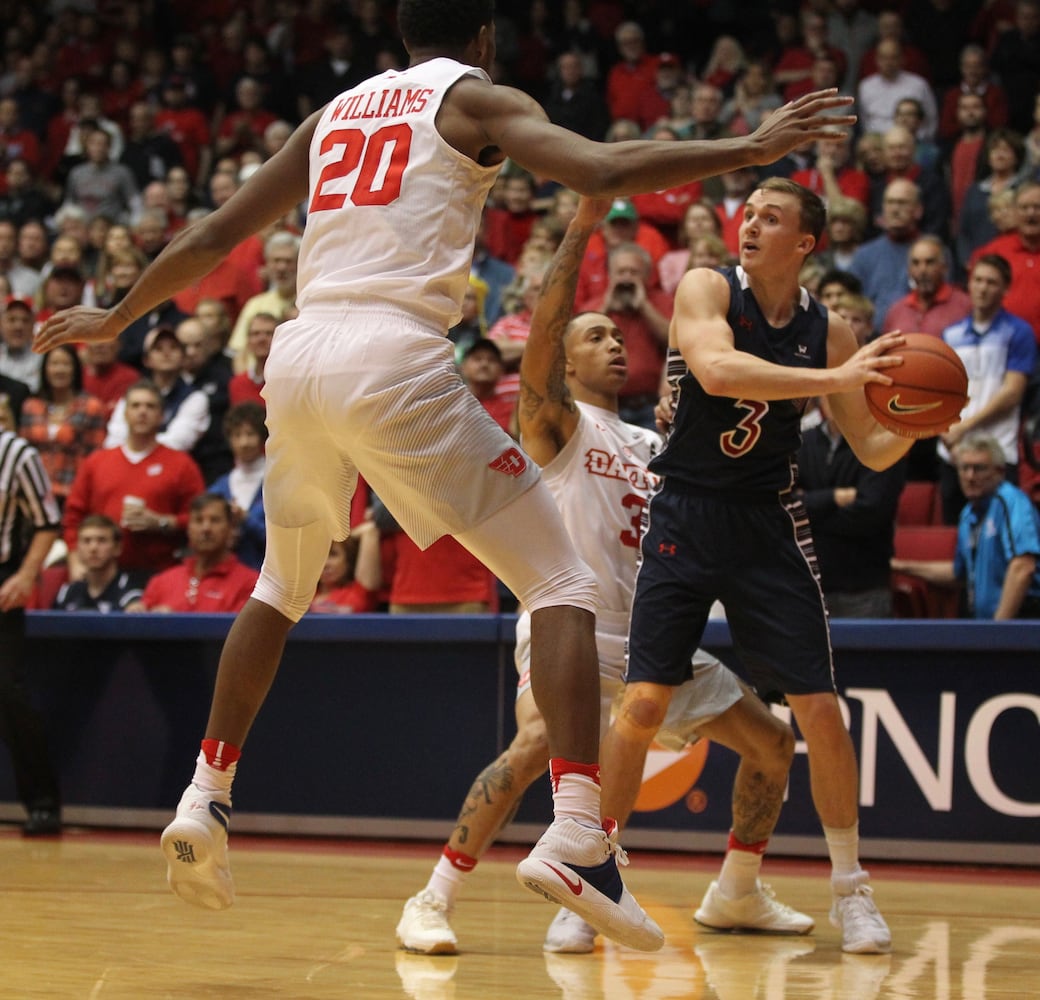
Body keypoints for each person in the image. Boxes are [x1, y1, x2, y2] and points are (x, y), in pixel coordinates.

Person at [34, 0, 854, 946]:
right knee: (562, 579)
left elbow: (215, 235)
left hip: (296, 360)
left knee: (282, 583)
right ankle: (581, 836)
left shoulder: (334, 113)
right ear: (485, 40)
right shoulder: (471, 98)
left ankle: (204, 796)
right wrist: (747, 147)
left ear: (398, 38)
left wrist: (115, 317)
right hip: (391, 354)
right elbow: (599, 167)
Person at [397, 195, 812, 956]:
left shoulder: (657, 442)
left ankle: (737, 890)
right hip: (572, 630)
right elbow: (547, 330)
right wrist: (580, 232)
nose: (614, 344)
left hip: (655, 635)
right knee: (531, 753)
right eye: (596, 336)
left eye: (619, 335)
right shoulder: (555, 424)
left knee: (772, 746)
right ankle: (434, 896)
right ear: (564, 358)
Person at [599, 178, 928, 956]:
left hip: (767, 522)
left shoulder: (829, 329)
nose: (750, 226)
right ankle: (595, 874)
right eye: (748, 214)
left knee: (818, 708)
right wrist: (834, 382)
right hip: (684, 508)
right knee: (644, 701)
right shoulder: (710, 286)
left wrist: (922, 420)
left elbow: (873, 445)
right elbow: (716, 371)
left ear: (806, 244)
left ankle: (850, 889)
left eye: (770, 219)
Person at [62, 381, 205, 581]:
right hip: (101, 576)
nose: (142, 412)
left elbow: (199, 519)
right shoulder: (96, 462)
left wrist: (162, 522)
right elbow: (73, 516)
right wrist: (74, 559)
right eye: (136, 406)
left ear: (162, 415)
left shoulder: (182, 465)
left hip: (160, 574)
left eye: (150, 406)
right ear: (125, 413)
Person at [892, 434, 1040, 618]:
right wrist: (900, 566)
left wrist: (999, 631)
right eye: (964, 468)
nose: (970, 476)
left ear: (1000, 471)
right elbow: (959, 573)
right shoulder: (968, 513)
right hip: (988, 629)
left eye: (979, 469)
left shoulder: (1010, 501)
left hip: (1021, 624)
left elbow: (1023, 567)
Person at [937, 254, 1037, 523]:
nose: (982, 287)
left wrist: (963, 429)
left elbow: (1012, 393)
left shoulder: (1019, 332)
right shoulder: (950, 334)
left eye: (991, 282)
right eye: (978, 280)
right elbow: (938, 393)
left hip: (999, 453)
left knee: (1001, 534)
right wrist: (946, 432)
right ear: (969, 284)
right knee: (954, 537)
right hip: (954, 456)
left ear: (1005, 289)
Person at [0, 428, 62, 835]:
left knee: (9, 692)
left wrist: (25, 574)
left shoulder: (15, 453)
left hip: (3, 581)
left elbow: (47, 522)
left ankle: (42, 803)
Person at [795, 394, 906, 617]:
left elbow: (871, 512)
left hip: (863, 589)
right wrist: (834, 497)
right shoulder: (798, 442)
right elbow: (782, 506)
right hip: (803, 586)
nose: (840, 400)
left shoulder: (885, 444)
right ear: (819, 399)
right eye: (832, 393)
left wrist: (809, 511)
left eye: (848, 393)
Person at [127, 493, 258, 613]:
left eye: (215, 520)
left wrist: (172, 622)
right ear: (188, 530)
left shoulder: (251, 584)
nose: (206, 528)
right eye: (198, 520)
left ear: (231, 529)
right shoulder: (161, 581)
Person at [17, 345, 107, 509]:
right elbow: (23, 453)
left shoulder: (91, 407)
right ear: (45, 369)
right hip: (34, 495)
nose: (60, 370)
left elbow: (95, 456)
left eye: (66, 364)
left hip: (73, 494)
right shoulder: (31, 406)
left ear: (76, 369)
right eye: (54, 364)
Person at [209, 402, 268, 571]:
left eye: (250, 434)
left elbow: (284, 539)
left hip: (264, 574)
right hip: (225, 575)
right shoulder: (220, 486)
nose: (244, 442)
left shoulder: (278, 483)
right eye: (237, 435)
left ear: (262, 437)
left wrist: (246, 519)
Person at [880, 236, 971, 339]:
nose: (922, 270)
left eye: (929, 262)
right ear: (909, 270)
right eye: (916, 263)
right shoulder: (896, 311)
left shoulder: (964, 306)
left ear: (944, 267)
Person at [53, 514, 146, 612]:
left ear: (117, 548)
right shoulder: (67, 592)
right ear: (78, 548)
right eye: (86, 541)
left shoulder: (130, 592)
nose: (93, 548)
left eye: (102, 540)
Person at [309, 525, 381, 614]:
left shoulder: (358, 592)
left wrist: (346, 539)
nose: (325, 564)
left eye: (333, 554)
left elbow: (369, 530)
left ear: (348, 561)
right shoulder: (303, 596)